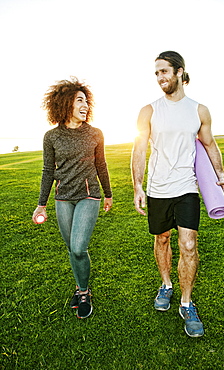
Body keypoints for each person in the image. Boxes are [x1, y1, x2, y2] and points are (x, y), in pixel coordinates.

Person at [131, 51, 224, 337]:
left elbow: (209, 144)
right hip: (159, 188)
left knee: (188, 245)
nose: (160, 77)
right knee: (162, 239)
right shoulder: (149, 110)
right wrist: (138, 185)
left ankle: (186, 302)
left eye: (164, 71)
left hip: (187, 187)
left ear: (179, 72)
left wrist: (219, 173)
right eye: (156, 73)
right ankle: (166, 285)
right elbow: (139, 149)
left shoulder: (199, 110)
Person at [32, 77, 112, 319]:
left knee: (78, 247)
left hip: (89, 196)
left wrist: (108, 194)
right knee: (71, 249)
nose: (85, 105)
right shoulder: (51, 137)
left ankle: (85, 293)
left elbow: (101, 164)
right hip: (63, 199)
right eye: (79, 100)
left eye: (86, 101)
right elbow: (48, 170)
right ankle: (80, 288)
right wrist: (41, 204)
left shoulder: (95, 133)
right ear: (66, 104)